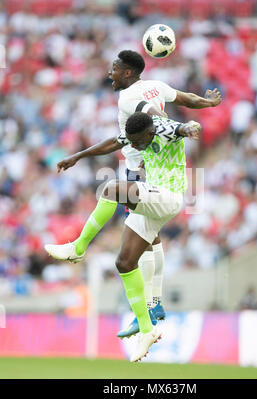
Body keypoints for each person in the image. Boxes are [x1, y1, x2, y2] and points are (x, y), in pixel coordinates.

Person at [54, 50, 221, 338]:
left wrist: (183, 127)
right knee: (134, 252)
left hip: (151, 181)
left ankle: (79, 248)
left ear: (128, 73)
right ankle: (150, 310)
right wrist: (207, 103)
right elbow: (183, 99)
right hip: (150, 173)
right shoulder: (155, 86)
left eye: (115, 68)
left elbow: (159, 119)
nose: (110, 72)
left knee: (117, 199)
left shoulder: (131, 100)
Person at [45, 112, 202, 361]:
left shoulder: (163, 128)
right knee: (125, 262)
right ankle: (147, 330)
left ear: (150, 133)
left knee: (110, 189)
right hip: (153, 200)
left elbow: (182, 128)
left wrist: (191, 127)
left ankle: (78, 247)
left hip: (167, 196)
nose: (135, 146)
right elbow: (112, 143)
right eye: (132, 141)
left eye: (138, 142)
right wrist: (77, 156)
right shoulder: (137, 133)